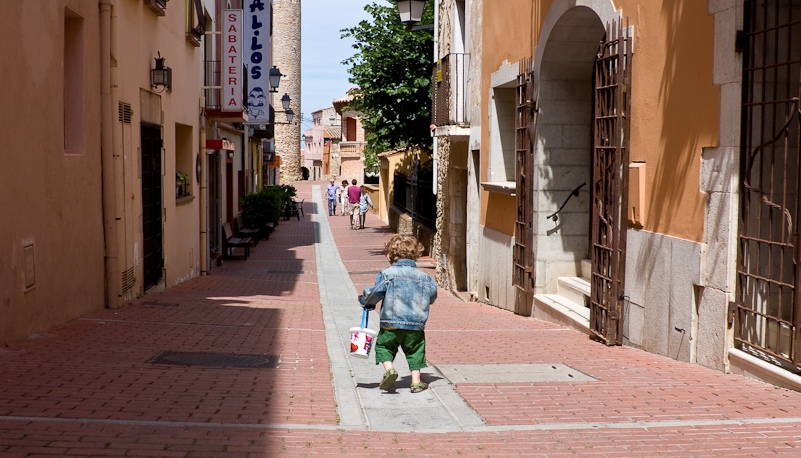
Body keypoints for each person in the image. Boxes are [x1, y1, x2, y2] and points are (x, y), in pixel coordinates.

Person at [359, 235, 437, 393]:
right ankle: (416, 382)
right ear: (415, 255)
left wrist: (366, 302)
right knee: (415, 351)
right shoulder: (425, 277)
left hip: (390, 325)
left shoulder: (388, 273)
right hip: (416, 325)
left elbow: (375, 292)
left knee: (384, 346)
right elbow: (432, 296)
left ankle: (390, 370)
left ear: (390, 256)